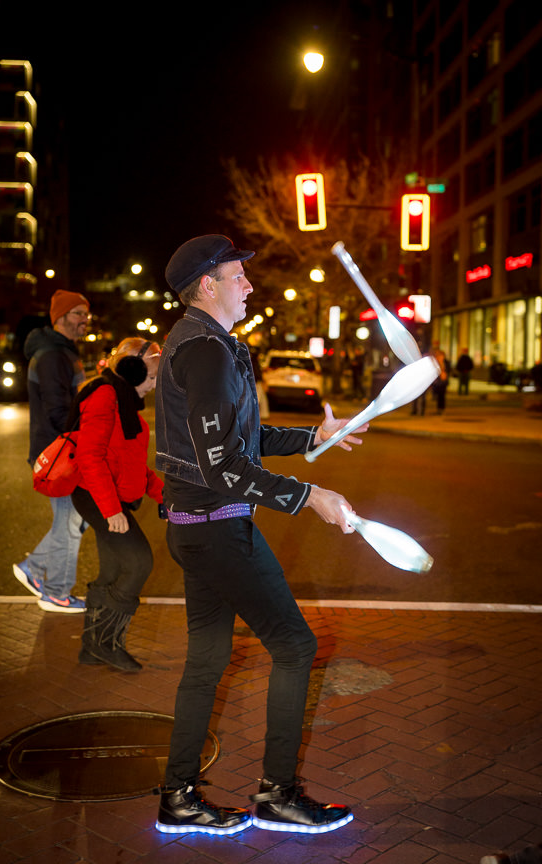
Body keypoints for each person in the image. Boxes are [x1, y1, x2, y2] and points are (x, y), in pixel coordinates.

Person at [154, 234, 368, 836]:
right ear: (208, 286)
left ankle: (178, 798)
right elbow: (224, 466)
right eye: (237, 275)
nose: (249, 285)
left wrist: (313, 438)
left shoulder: (203, 344)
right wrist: (311, 497)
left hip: (197, 530)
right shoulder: (206, 351)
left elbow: (235, 440)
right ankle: (278, 796)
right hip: (218, 531)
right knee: (296, 647)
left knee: (207, 661)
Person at [69, 337, 164, 672]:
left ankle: (92, 648)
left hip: (110, 496)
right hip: (96, 496)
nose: (154, 385)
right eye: (151, 377)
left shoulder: (124, 402)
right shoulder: (104, 395)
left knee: (112, 570)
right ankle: (106, 644)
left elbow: (130, 463)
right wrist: (111, 510)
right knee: (138, 562)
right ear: (132, 369)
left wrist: (164, 494)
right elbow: (89, 456)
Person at [13, 290, 91, 613]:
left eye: (87, 314)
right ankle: (56, 591)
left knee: (74, 519)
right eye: (77, 314)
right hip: (59, 453)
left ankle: (35, 568)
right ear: (59, 318)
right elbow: (58, 409)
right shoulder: (51, 355)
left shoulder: (62, 352)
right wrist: (81, 437)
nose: (85, 320)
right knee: (70, 521)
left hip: (62, 449)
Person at [431, 343, 449, 414]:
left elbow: (448, 370)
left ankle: (441, 408)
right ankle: (439, 408)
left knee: (442, 396)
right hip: (438, 382)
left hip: (443, 382)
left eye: (441, 355)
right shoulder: (436, 363)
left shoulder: (446, 363)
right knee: (438, 396)